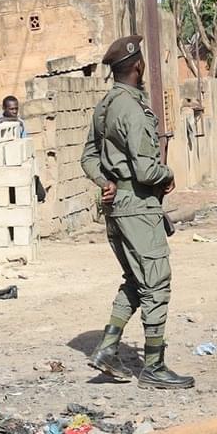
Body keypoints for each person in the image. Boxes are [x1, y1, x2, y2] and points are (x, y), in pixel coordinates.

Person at [80, 37, 191, 390]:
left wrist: (104, 181)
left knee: (134, 280)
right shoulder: (132, 108)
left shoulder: (104, 106)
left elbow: (88, 157)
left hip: (116, 208)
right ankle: (154, 366)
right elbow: (146, 170)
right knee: (156, 283)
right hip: (138, 206)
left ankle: (108, 348)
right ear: (138, 66)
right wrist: (168, 175)